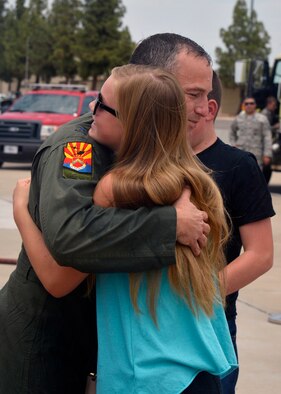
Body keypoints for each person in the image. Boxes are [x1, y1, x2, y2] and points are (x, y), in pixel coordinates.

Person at [0, 34, 211, 394]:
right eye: (192, 94)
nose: (204, 107)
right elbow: (71, 239)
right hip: (44, 341)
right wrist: (171, 224)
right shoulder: (79, 147)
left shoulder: (166, 162)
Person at [189, 71, 274, 393]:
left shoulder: (238, 166)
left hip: (212, 323)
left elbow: (261, 254)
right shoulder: (158, 161)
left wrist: (195, 295)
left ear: (209, 109)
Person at [229, 97, 273, 180]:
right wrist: (234, 145)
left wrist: (267, 154)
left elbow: (267, 137)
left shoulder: (262, 119)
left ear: (255, 105)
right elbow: (232, 132)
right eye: (246, 104)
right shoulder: (238, 118)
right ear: (244, 105)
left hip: (256, 154)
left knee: (255, 178)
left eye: (251, 103)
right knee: (240, 177)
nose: (249, 105)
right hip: (241, 153)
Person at [261, 96, 280, 183]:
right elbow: (265, 129)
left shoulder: (270, 113)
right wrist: (275, 127)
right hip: (264, 143)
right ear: (269, 104)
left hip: (268, 141)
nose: (275, 107)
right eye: (274, 105)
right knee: (266, 167)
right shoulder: (265, 114)